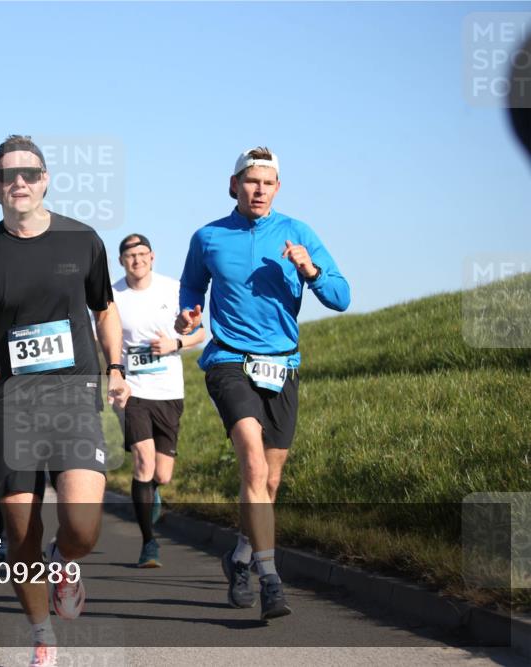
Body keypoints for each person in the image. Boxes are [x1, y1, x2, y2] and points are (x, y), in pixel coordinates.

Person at [0, 135, 130, 667]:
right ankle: (42, 635)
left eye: (30, 173)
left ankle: (64, 560)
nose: (20, 182)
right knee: (20, 535)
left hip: (75, 395)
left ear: (46, 180)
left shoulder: (82, 241)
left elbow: (105, 309)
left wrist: (116, 367)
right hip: (12, 405)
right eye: (8, 175)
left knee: (82, 526)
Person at [176, 147, 350, 620]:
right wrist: (189, 314)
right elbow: (192, 287)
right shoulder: (208, 237)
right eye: (251, 181)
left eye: (267, 183)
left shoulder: (299, 233)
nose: (259, 190)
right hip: (229, 360)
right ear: (233, 185)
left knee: (269, 480)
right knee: (253, 464)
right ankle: (271, 579)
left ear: (277, 188)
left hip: (282, 365)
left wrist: (309, 270)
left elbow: (341, 298)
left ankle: (240, 555)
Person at [112, 233, 204, 567]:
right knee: (143, 462)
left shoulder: (174, 289)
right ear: (121, 261)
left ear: (152, 257)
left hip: (168, 390)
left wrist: (175, 344)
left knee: (162, 474)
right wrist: (112, 376)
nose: (136, 260)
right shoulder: (112, 296)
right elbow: (99, 338)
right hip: (133, 390)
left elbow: (201, 332)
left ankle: (153, 491)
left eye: (142, 254)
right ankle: (149, 543)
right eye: (130, 256)